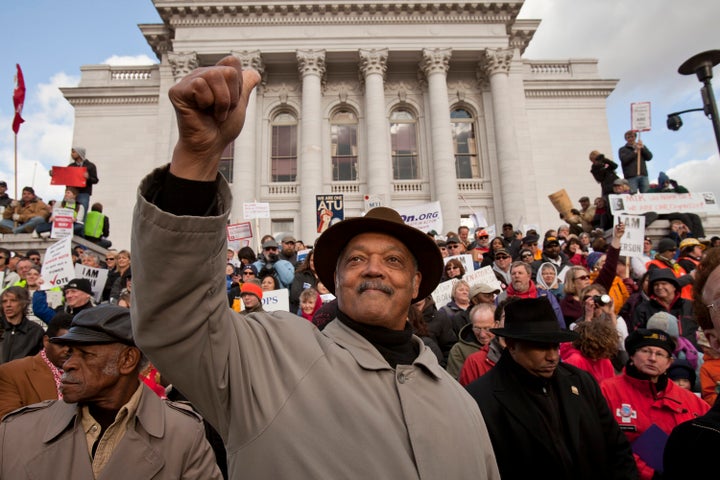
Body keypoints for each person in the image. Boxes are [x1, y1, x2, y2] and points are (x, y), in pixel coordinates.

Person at [131, 55, 499, 480]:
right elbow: (176, 320)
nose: (374, 270)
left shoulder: (462, 405)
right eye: (357, 259)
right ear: (334, 279)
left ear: (417, 283)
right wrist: (196, 161)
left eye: (394, 260)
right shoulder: (269, 359)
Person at [0, 305, 222, 478]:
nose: (68, 365)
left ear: (127, 360)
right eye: (70, 353)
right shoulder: (15, 432)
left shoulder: (183, 434)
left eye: (86, 355)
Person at [466, 297, 637, 479]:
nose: (552, 356)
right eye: (540, 347)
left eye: (555, 346)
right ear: (512, 345)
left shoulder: (580, 382)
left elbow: (617, 448)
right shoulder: (481, 399)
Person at [600, 329, 709, 479]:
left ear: (669, 362)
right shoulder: (607, 391)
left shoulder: (692, 401)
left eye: (659, 354)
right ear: (632, 355)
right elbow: (601, 443)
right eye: (646, 351)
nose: (652, 358)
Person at [0, 312, 72, 417]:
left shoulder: (86, 373)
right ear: (46, 341)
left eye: (73, 345)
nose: (67, 350)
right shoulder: (11, 373)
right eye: (61, 344)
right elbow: (8, 423)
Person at [496, 261, 565, 327]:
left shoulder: (545, 296)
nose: (516, 276)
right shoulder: (501, 298)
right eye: (513, 273)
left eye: (520, 273)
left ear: (529, 276)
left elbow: (558, 321)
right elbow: (495, 323)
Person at [446, 303, 495, 380]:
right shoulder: (459, 350)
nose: (482, 335)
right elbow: (455, 382)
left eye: (487, 328)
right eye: (477, 328)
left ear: (497, 324)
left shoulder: (505, 344)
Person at [1, 286, 44, 364]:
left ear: (23, 304)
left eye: (13, 301)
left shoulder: (36, 331)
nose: (8, 305)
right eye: (4, 301)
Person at [66, 146, 99, 215]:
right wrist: (54, 174)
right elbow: (64, 177)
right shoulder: (70, 166)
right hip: (71, 194)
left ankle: (79, 226)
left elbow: (95, 180)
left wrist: (88, 178)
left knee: (81, 213)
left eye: (74, 152)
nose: (72, 154)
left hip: (83, 193)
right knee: (68, 212)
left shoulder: (90, 166)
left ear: (79, 153)